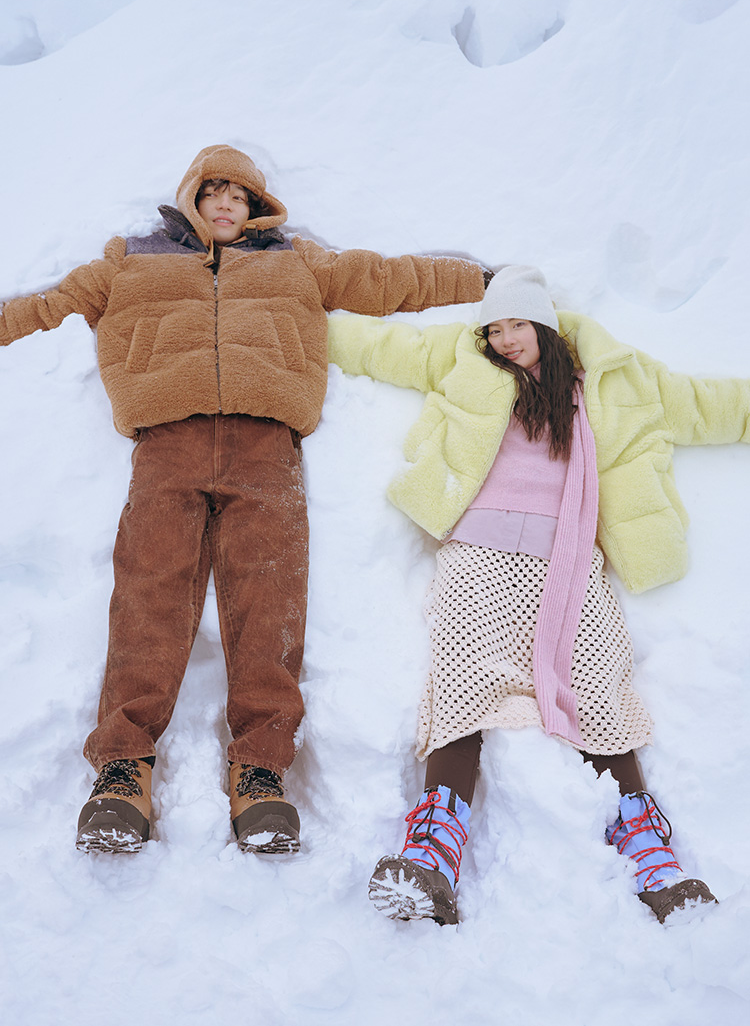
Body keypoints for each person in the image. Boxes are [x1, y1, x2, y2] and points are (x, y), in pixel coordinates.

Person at [0, 144, 490, 855]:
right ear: (192, 198)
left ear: (259, 207)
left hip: (266, 447)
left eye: (241, 195)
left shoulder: (296, 260)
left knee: (271, 599)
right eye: (214, 192)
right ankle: (121, 771)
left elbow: (383, 280)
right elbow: (53, 304)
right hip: (166, 442)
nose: (226, 204)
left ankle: (260, 773)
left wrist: (478, 279)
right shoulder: (132, 258)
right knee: (149, 591)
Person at [327, 265, 750, 924]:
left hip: (570, 559)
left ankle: (650, 854)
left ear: (546, 325)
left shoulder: (615, 381)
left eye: (517, 323)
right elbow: (384, 349)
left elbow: (706, 407)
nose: (503, 338)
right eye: (494, 328)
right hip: (478, 554)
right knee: (463, 680)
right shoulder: (462, 359)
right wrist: (293, 324)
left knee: (598, 681)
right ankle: (433, 853)